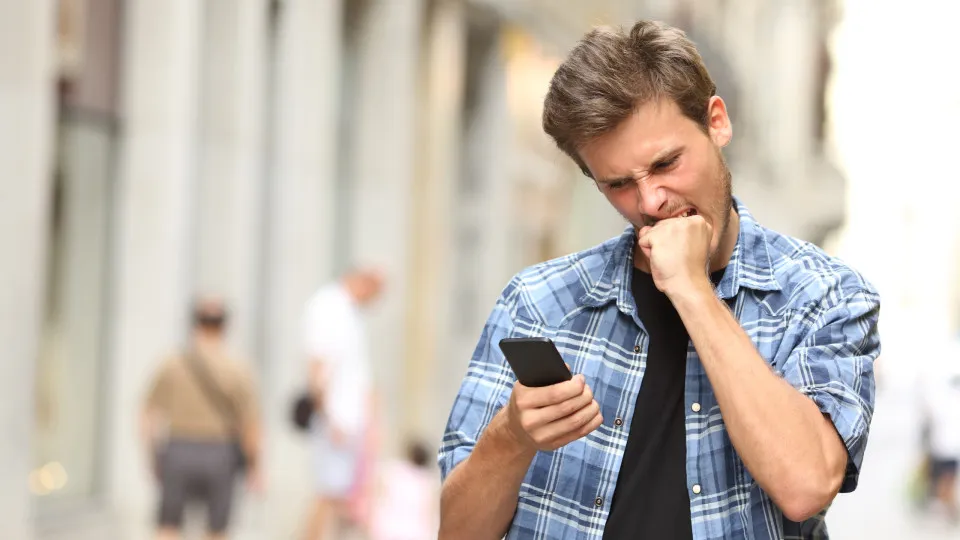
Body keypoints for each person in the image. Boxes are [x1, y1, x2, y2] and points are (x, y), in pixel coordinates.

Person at [438, 20, 881, 539]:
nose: (650, 202)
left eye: (666, 163)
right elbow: (456, 533)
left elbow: (806, 485)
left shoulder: (825, 295)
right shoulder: (539, 302)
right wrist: (511, 437)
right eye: (619, 184)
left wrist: (692, 290)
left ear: (717, 122)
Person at [141, 297, 262, 540]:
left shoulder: (172, 363)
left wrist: (152, 456)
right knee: (217, 528)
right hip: (220, 452)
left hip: (178, 448)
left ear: (195, 324)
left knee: (168, 525)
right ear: (225, 326)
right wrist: (255, 466)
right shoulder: (237, 367)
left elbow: (147, 414)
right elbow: (251, 423)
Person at [300, 268, 385, 540]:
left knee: (343, 498)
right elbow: (317, 365)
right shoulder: (328, 306)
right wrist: (328, 416)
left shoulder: (350, 312)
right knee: (328, 494)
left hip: (350, 420)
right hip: (336, 419)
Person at [917, 340, 960, 522]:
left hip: (945, 442)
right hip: (945, 443)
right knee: (946, 476)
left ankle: (947, 508)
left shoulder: (941, 392)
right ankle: (948, 509)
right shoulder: (942, 391)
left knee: (946, 476)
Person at [370, 441, 441, 540]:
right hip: (415, 533)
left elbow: (379, 494)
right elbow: (430, 513)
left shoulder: (394, 470)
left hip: (388, 528)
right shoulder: (429, 483)